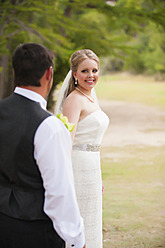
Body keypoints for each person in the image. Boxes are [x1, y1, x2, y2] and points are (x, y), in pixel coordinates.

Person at [0, 43, 86, 248]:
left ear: (14, 72)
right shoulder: (49, 126)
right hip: (35, 230)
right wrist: (76, 239)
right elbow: (60, 191)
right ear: (49, 74)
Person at [55, 49, 109, 248]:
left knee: (91, 221)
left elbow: (94, 143)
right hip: (77, 168)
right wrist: (66, 178)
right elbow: (67, 141)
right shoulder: (74, 100)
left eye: (95, 70)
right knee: (80, 222)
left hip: (92, 167)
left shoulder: (92, 97)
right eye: (85, 71)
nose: (91, 75)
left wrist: (100, 177)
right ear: (75, 74)